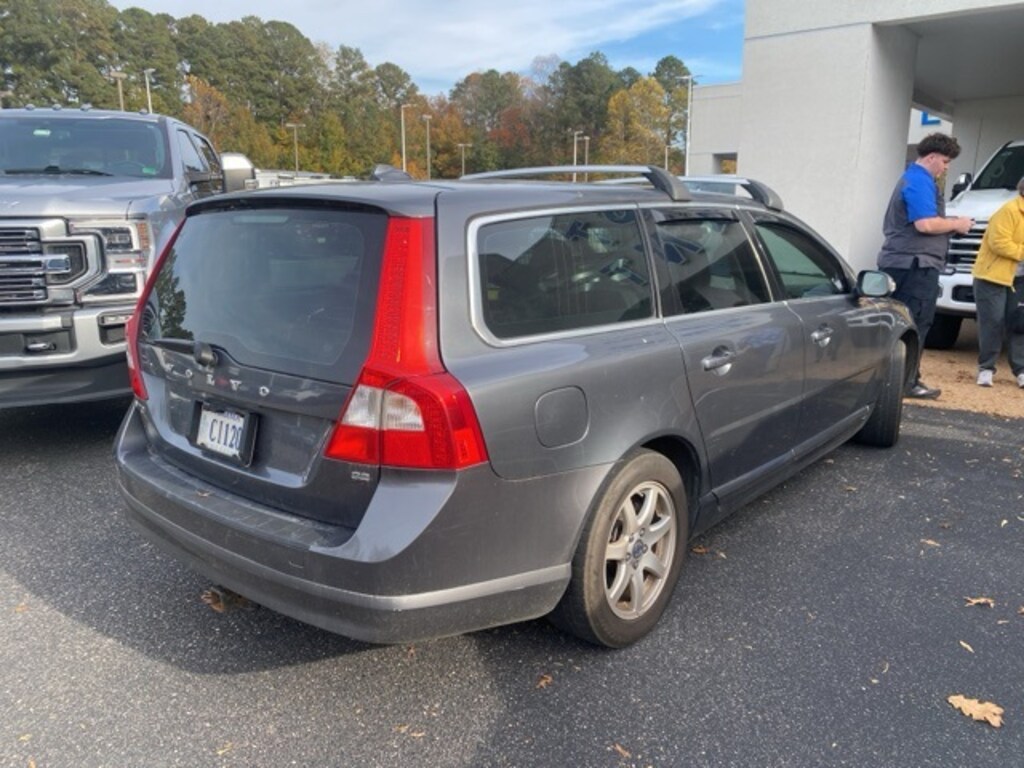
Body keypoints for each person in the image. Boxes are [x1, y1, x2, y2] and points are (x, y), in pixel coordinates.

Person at [877, 132, 974, 399]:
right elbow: (926, 224)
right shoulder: (920, 181)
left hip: (903, 263)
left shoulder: (912, 178)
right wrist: (957, 224)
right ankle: (907, 383)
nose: (946, 167)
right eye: (944, 161)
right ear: (931, 157)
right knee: (916, 323)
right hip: (915, 267)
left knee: (898, 323)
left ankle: (893, 379)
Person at [971, 176, 1024, 388]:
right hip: (992, 277)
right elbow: (998, 243)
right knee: (992, 321)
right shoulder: (1009, 210)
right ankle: (986, 368)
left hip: (1020, 279)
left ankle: (1021, 370)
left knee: (1020, 323)